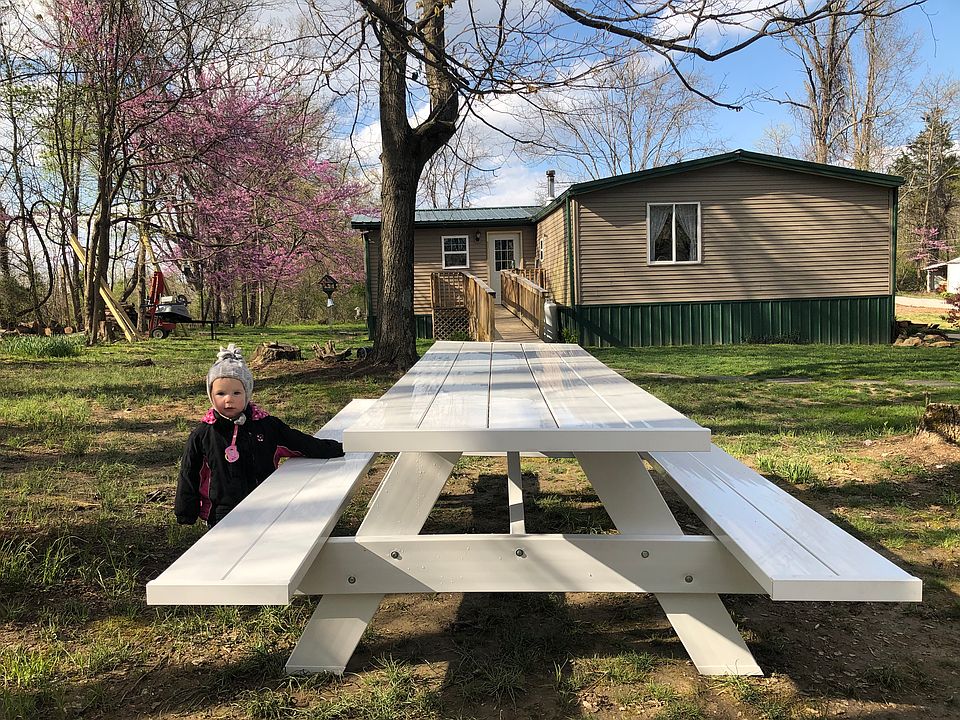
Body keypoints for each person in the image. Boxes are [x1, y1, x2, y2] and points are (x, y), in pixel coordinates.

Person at [175, 343, 344, 527]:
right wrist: (186, 512)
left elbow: (299, 442)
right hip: (222, 512)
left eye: (236, 393)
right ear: (211, 395)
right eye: (221, 393)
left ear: (247, 393)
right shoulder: (203, 434)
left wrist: (335, 448)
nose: (228, 399)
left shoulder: (266, 426)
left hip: (265, 504)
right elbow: (189, 472)